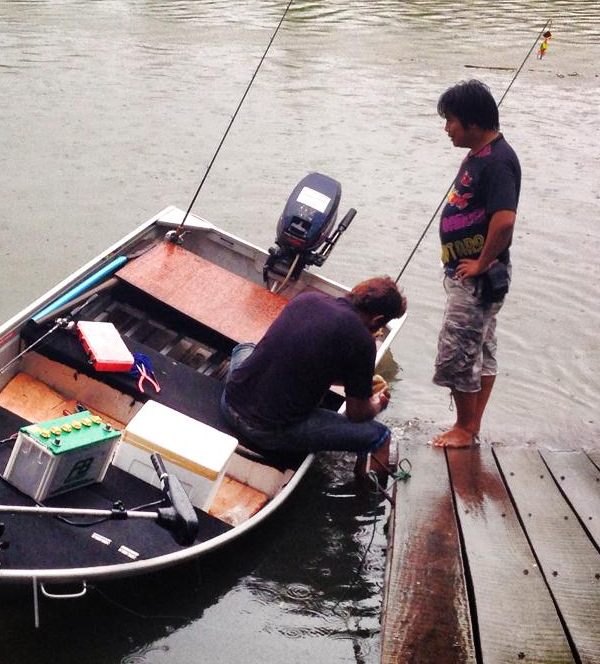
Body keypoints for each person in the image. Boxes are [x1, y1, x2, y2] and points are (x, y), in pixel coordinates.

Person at [220, 276, 407, 476]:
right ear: (377, 320)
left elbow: (302, 358)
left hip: (229, 403)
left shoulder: (307, 299)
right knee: (381, 436)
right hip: (266, 431)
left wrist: (355, 381)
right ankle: (368, 493)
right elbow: (357, 414)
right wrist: (377, 404)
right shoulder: (363, 341)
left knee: (246, 348)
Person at [430, 79, 521, 448]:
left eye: (451, 120)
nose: (447, 128)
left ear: (473, 122)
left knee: (458, 352)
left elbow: (505, 221)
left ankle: (464, 428)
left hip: (479, 278)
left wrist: (482, 263)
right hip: (465, 273)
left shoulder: (499, 161)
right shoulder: (480, 155)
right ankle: (471, 425)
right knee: (481, 350)